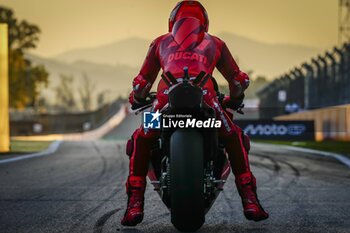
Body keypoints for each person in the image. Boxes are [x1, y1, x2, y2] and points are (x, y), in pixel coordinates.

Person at [121, 0, 268, 226]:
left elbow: (142, 81)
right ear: (205, 23)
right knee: (235, 136)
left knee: (140, 138)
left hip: (164, 100)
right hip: (207, 98)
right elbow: (237, 79)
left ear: (171, 22)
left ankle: (134, 203)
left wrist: (137, 97)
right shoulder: (216, 43)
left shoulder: (159, 42)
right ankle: (250, 199)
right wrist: (235, 98)